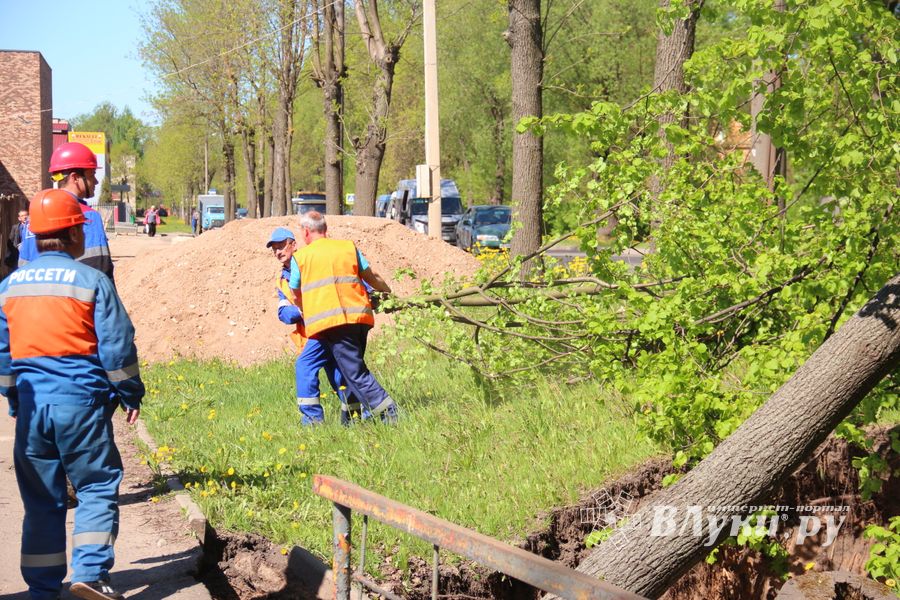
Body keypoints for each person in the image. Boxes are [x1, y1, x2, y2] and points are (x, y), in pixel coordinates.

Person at [0, 188, 144, 600]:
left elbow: (4, 355)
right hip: (80, 403)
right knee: (96, 486)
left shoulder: (9, 287)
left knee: (42, 499)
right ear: (74, 235)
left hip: (32, 408)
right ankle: (91, 574)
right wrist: (130, 392)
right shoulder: (92, 281)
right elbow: (117, 345)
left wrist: (13, 400)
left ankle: (43, 588)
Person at [290, 211, 399, 422]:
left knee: (355, 373)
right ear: (325, 228)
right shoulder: (348, 247)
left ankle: (389, 413)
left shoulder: (301, 258)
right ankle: (351, 418)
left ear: (305, 232)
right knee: (334, 368)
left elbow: (296, 292)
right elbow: (372, 276)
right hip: (359, 321)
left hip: (331, 324)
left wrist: (308, 309)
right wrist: (388, 294)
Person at [268, 227, 364, 425]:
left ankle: (312, 422)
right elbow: (284, 314)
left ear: (294, 244)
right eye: (274, 249)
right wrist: (303, 311)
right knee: (340, 374)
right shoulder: (282, 279)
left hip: (327, 326)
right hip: (316, 330)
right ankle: (356, 420)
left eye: (281, 246)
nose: (278, 252)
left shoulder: (308, 262)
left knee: (305, 366)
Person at [18, 142, 115, 284]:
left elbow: (22, 268)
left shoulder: (33, 219)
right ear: (75, 178)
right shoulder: (88, 217)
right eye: (92, 174)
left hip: (35, 302)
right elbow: (100, 274)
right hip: (73, 303)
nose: (96, 181)